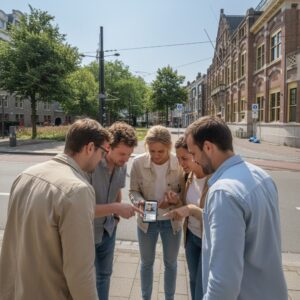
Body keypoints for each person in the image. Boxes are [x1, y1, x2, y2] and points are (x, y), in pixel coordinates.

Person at [0, 118, 111, 300]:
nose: (102, 159)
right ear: (90, 148)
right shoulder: (78, 190)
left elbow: (13, 242)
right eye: (103, 151)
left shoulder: (26, 175)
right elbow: (80, 272)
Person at [185, 116, 288, 300]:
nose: (194, 160)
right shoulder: (262, 176)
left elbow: (223, 282)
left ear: (208, 147)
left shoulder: (223, 192)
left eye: (194, 153)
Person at [129, 125, 183, 300]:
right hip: (147, 219)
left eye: (161, 151)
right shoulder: (138, 163)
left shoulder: (179, 163)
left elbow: (185, 191)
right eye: (152, 151)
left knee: (171, 263)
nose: (156, 156)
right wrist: (141, 202)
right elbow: (133, 191)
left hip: (171, 219)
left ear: (169, 147)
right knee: (146, 263)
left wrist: (176, 198)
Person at [91, 121, 141, 300]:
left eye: (129, 155)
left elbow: (117, 190)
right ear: (107, 146)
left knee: (104, 276)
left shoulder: (122, 165)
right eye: (122, 154)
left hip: (108, 230)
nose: (125, 159)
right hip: (87, 232)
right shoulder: (92, 165)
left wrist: (116, 218)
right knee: (86, 280)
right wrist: (117, 209)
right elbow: (82, 209)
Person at [165, 136, 207, 300]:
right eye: (178, 158)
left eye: (185, 158)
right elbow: (185, 205)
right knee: (193, 280)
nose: (181, 163)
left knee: (203, 286)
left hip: (206, 241)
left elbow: (216, 219)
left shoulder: (213, 180)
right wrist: (177, 201)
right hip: (191, 238)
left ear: (196, 155)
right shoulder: (188, 177)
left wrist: (189, 209)